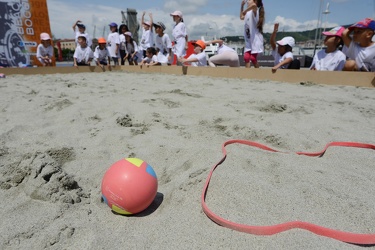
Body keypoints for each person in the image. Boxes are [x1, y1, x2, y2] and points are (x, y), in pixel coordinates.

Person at [240, 0, 265, 68]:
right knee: (246, 58)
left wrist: (245, 10)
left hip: (255, 39)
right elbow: (241, 17)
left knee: (253, 58)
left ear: (255, 1)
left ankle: (257, 71)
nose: (248, 1)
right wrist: (242, 6)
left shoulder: (255, 11)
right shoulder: (248, 12)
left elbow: (254, 6)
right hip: (249, 39)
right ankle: (248, 74)